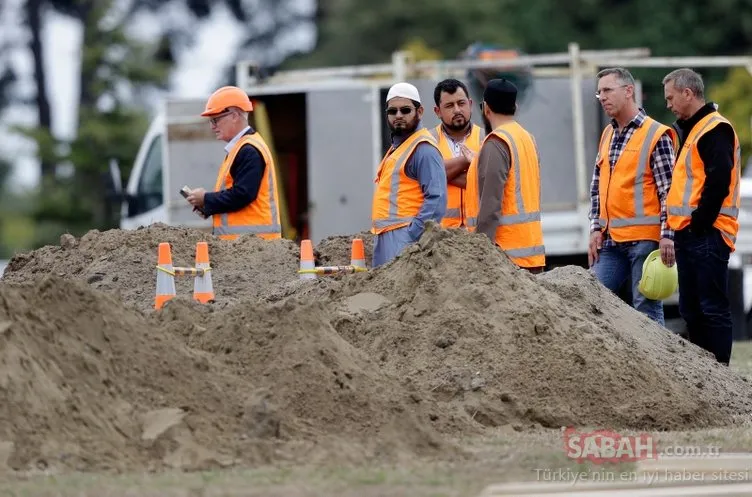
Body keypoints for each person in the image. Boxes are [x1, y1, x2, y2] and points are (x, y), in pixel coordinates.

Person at [587, 67, 677, 326]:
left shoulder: (656, 135)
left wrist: (667, 235)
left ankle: (660, 365)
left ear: (628, 91)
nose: (602, 97)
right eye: (599, 92)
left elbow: (668, 192)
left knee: (645, 310)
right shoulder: (608, 134)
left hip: (644, 242)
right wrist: (596, 228)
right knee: (590, 296)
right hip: (612, 241)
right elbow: (597, 187)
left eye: (607, 90)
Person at [663, 68, 741, 365]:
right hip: (691, 232)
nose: (668, 104)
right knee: (692, 309)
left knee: (711, 307)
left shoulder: (714, 129)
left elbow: (718, 181)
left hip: (707, 233)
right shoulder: (693, 128)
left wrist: (698, 224)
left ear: (688, 93)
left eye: (671, 98)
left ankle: (719, 373)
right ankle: (704, 373)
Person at [463, 78, 546, 272]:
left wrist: (480, 252)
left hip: (506, 257)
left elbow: (491, 205)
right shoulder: (526, 138)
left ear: (486, 108)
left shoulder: (496, 143)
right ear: (515, 107)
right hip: (531, 252)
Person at [185, 86, 282, 241]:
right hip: (248, 245)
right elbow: (239, 195)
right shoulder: (241, 149)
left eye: (215, 119)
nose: (212, 126)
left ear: (235, 115)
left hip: (255, 246)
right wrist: (207, 204)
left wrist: (206, 199)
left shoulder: (248, 150)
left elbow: (243, 194)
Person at [371, 82, 447, 267]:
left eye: (405, 110)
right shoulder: (399, 147)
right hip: (388, 236)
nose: (398, 116)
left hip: (404, 238)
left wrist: (413, 235)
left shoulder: (423, 149)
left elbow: (437, 199)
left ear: (419, 112)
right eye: (392, 111)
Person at [429, 79, 485, 229]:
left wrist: (443, 174)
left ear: (470, 104)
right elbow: (426, 179)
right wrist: (467, 161)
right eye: (449, 106)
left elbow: (488, 183)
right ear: (437, 111)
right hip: (439, 237)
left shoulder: (486, 139)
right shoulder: (427, 141)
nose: (457, 110)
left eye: (461, 103)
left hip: (479, 235)